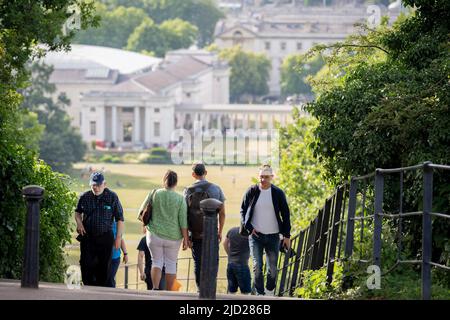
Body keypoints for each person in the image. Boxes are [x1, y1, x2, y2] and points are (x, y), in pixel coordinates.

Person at [240, 164, 291, 296]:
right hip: (255, 236)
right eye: (261, 177)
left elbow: (286, 214)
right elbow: (243, 210)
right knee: (257, 267)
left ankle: (269, 292)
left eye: (266, 177)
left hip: (274, 236)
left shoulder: (278, 193)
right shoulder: (251, 191)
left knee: (272, 269)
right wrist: (249, 228)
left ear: (272, 177)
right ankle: (260, 295)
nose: (263, 180)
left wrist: (287, 236)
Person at [139, 170, 189, 290]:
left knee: (156, 262)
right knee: (171, 264)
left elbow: (141, 211)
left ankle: (155, 289)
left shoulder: (154, 193)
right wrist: (186, 239)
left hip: (154, 235)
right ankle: (169, 292)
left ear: (164, 180)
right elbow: (183, 222)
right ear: (176, 183)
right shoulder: (180, 199)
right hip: (173, 237)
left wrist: (146, 226)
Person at [75, 171, 124, 287]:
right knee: (86, 265)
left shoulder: (112, 197)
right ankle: (88, 290)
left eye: (98, 185)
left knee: (103, 268)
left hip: (106, 237)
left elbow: (120, 219)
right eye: (93, 185)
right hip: (88, 237)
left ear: (104, 184)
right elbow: (77, 213)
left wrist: (118, 238)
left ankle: (100, 293)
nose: (96, 188)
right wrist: (79, 223)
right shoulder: (85, 197)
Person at [183, 162, 226, 290]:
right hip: (211, 232)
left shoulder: (187, 190)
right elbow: (223, 213)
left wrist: (187, 237)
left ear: (193, 174)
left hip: (195, 234)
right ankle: (210, 289)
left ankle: (199, 289)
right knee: (212, 262)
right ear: (205, 172)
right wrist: (220, 231)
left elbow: (184, 215)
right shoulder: (216, 189)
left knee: (198, 263)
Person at [223, 226, 251, 295]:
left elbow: (224, 243)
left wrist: (229, 254)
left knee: (231, 292)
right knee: (246, 293)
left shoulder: (231, 230)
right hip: (242, 265)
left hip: (230, 264)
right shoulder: (249, 233)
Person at [107, 220, 128, 287]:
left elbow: (121, 239)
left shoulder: (117, 223)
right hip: (104, 257)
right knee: (104, 279)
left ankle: (112, 295)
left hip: (115, 258)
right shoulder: (103, 222)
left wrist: (125, 254)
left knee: (110, 278)